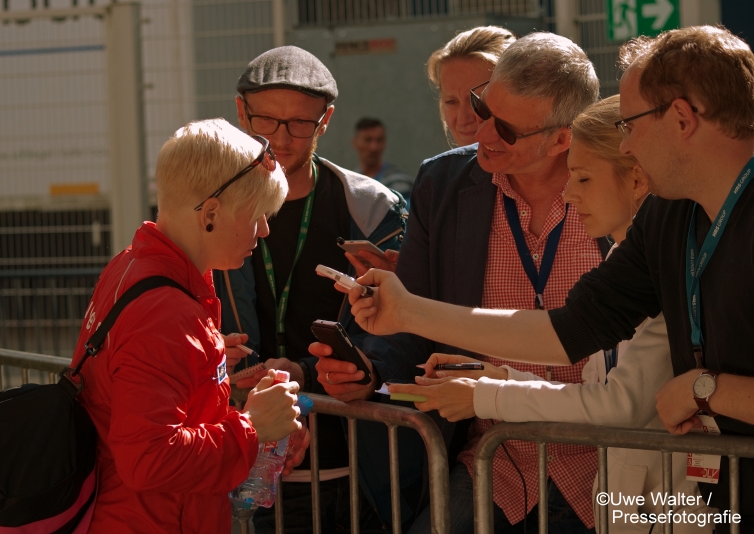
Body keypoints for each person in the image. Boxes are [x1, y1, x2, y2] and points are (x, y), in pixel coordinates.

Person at [342, 26, 754, 533]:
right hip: (701, 501)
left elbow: (623, 397)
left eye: (629, 124)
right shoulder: (667, 218)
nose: (624, 144)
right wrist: (407, 312)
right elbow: (569, 330)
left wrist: (705, 388)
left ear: (683, 119)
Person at [314, 32, 607, 533]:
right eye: (478, 104)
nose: (481, 130)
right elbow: (412, 311)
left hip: (612, 467)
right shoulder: (443, 184)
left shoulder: (621, 184)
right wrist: (368, 369)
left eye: (507, 129)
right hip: (497, 463)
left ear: (562, 138)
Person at [396, 96, 713, 533]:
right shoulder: (626, 259)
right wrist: (500, 378)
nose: (568, 193)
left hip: (667, 508)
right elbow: (595, 381)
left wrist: (485, 394)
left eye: (581, 177)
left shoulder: (656, 265)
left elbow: (618, 403)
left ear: (637, 178)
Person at [69, 118, 306, 534]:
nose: (264, 230)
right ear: (210, 214)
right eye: (255, 216)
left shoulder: (133, 264)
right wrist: (252, 427)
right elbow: (150, 459)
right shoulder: (166, 310)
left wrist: (207, 365)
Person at [213, 45, 406, 533]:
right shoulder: (206, 210)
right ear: (240, 110)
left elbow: (399, 335)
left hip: (353, 461)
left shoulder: (370, 208)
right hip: (243, 457)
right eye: (266, 121)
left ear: (326, 120)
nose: (280, 138)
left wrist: (304, 372)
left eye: (300, 123)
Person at [344, 26, 515, 276]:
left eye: (479, 99)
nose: (465, 117)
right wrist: (406, 278)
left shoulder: (569, 178)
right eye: (451, 102)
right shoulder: (436, 182)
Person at [353, 117, 415, 198]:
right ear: (355, 143)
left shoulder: (399, 183)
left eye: (379, 140)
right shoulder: (351, 183)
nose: (374, 147)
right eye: (368, 140)